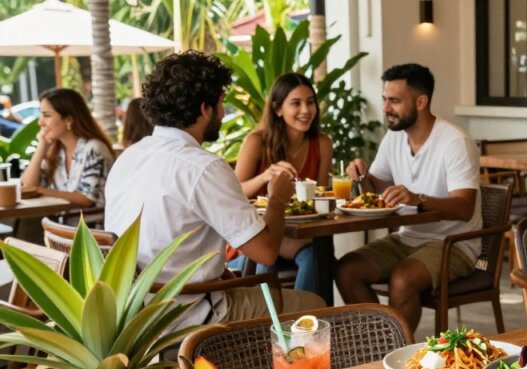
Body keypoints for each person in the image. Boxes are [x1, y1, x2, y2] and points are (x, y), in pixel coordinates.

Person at [105, 51, 325, 327]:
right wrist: (277, 199)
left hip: (134, 315)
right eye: (221, 104)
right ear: (204, 109)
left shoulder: (129, 157)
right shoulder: (202, 167)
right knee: (317, 308)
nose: (222, 113)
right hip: (189, 314)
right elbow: (267, 252)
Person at [336, 63, 480, 331]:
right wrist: (360, 177)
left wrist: (418, 199)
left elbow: (465, 208)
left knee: (402, 278)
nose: (386, 108)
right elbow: (374, 191)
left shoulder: (454, 142)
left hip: (454, 243)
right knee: (347, 270)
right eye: (384, 99)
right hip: (407, 237)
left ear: (421, 101)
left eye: (394, 101)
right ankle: (380, 345)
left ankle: (397, 355)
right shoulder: (393, 139)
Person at [234, 73, 333, 294]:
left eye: (310, 102)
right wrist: (265, 176)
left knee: (316, 254)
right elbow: (234, 192)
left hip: (296, 234)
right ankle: (275, 320)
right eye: (296, 104)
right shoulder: (257, 141)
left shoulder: (322, 143)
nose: (306, 110)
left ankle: (301, 322)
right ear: (278, 109)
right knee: (314, 254)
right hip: (253, 235)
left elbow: (321, 196)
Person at [20, 88, 114, 208]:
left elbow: (86, 199)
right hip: (58, 223)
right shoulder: (56, 151)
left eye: (47, 115)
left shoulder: (94, 148)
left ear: (68, 120)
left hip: (88, 225)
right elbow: (27, 186)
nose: (40, 122)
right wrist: (41, 147)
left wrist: (40, 191)